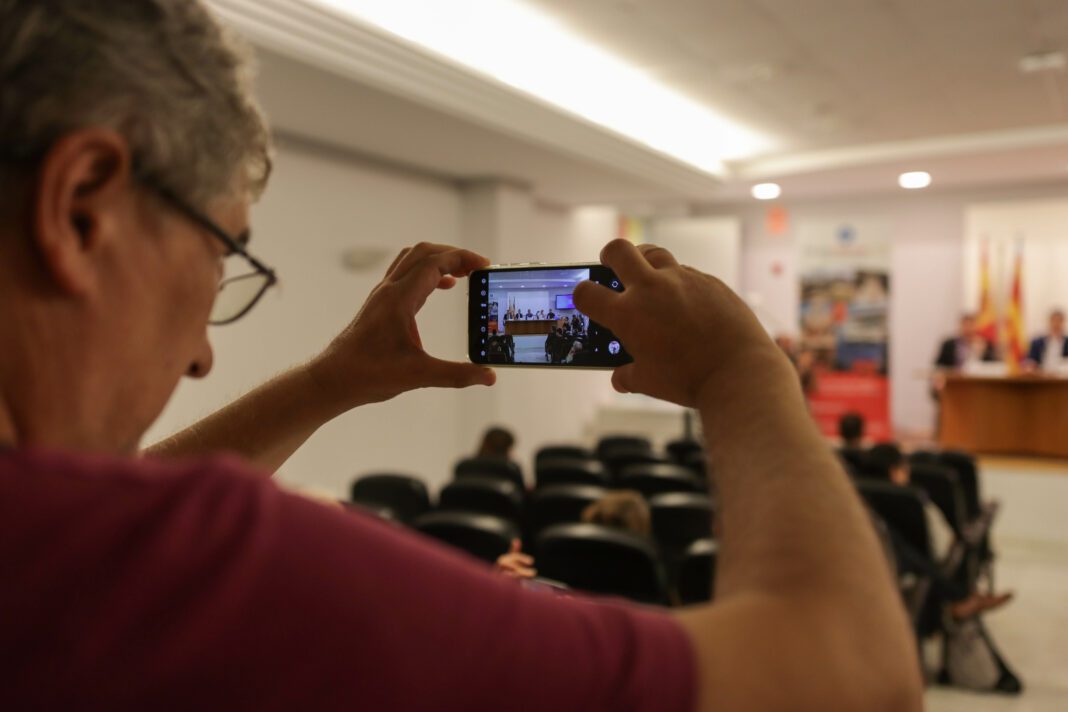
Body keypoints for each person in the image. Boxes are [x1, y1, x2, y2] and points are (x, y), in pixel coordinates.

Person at [0, 2, 922, 709]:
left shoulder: (65, 557)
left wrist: (327, 383)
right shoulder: (230, 565)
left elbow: (108, 532)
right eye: (220, 256)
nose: (203, 355)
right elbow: (851, 679)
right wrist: (744, 371)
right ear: (81, 210)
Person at [865, 445, 1013, 621]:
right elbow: (943, 544)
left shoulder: (858, 495)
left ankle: (961, 597)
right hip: (910, 570)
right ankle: (960, 598)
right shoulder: (915, 499)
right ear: (895, 471)